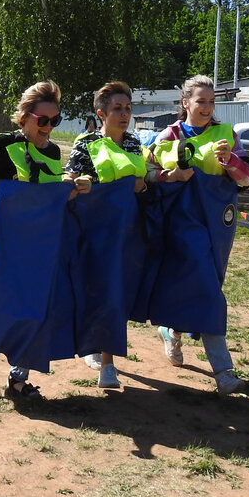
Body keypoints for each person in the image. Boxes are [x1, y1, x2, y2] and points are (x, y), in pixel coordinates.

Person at [0, 80, 91, 401]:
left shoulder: (54, 152)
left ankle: (18, 379)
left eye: (54, 120)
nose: (48, 127)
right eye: (42, 120)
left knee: (34, 305)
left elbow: (50, 197)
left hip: (40, 245)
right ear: (25, 116)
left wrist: (73, 187)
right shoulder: (4, 144)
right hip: (2, 236)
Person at [146, 74, 249, 396]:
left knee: (199, 284)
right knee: (207, 290)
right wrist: (172, 175)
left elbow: (247, 179)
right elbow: (146, 171)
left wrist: (230, 161)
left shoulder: (227, 135)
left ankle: (172, 330)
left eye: (211, 102)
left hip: (216, 227)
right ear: (185, 103)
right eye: (200, 101)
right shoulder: (169, 134)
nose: (207, 107)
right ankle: (223, 372)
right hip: (180, 225)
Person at [65, 81, 147, 389]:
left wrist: (144, 183)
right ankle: (107, 364)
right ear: (101, 113)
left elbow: (143, 180)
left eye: (127, 108)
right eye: (117, 109)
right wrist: (81, 182)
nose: (124, 114)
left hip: (129, 232)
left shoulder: (134, 143)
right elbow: (68, 178)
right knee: (104, 290)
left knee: (118, 291)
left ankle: (100, 349)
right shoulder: (85, 142)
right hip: (96, 232)